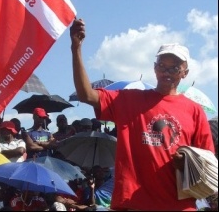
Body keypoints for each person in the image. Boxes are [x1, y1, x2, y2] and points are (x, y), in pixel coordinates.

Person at [69, 18, 215, 210]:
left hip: (179, 206)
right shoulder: (128, 99)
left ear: (185, 72)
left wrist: (186, 161)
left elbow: (208, 163)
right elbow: (86, 94)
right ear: (155, 68)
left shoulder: (194, 111)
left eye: (174, 67)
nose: (166, 72)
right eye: (162, 66)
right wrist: (76, 49)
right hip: (133, 204)